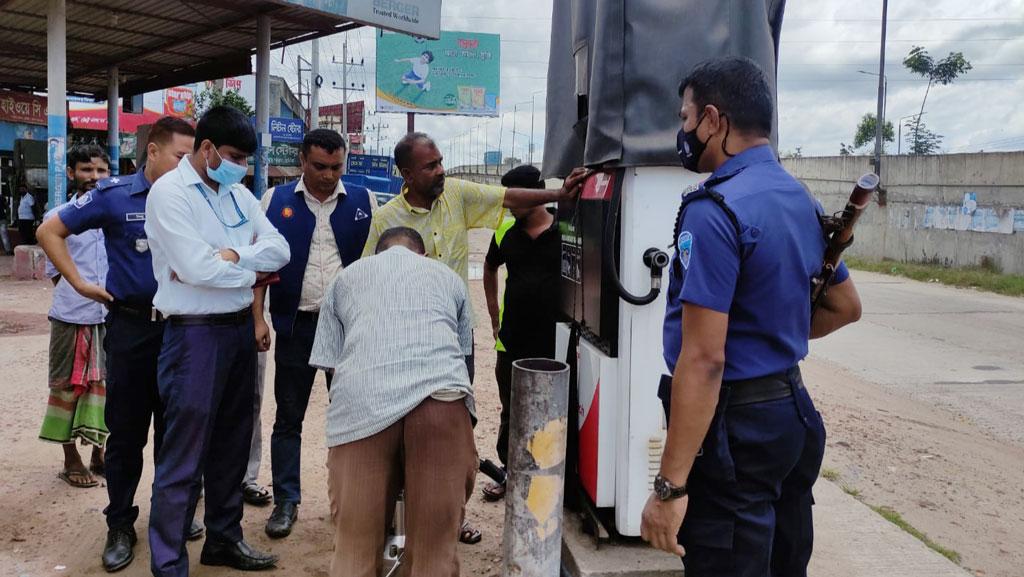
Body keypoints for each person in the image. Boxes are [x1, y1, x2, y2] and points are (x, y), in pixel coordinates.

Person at [639, 56, 863, 577]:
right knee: (784, 559)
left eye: (686, 117)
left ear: (714, 120)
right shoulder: (796, 196)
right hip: (792, 414)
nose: (683, 130)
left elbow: (703, 361)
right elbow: (846, 306)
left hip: (735, 434)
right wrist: (774, 329)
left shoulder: (714, 209)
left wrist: (670, 489)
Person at [364, 132, 586, 543]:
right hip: (405, 342)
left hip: (454, 342)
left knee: (455, 429)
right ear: (407, 174)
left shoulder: (459, 197)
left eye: (441, 161)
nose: (441, 171)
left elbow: (510, 197)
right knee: (402, 429)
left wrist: (560, 192)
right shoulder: (385, 220)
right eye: (430, 166)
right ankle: (400, 522)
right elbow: (367, 279)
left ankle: (453, 516)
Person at [36, 117, 206, 572]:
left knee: (177, 433)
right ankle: (120, 524)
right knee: (127, 434)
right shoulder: (114, 197)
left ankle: (173, 517)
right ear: (153, 152)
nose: (187, 166)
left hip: (183, 330)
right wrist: (80, 284)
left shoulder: (198, 198)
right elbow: (49, 231)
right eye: (179, 157)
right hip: (131, 330)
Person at [144, 105, 289, 576]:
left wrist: (232, 256)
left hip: (236, 334)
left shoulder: (238, 195)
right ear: (206, 149)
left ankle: (224, 539)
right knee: (184, 454)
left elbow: (280, 248)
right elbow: (194, 268)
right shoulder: (170, 194)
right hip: (193, 336)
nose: (240, 167)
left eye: (246, 159)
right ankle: (168, 562)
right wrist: (253, 271)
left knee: (231, 444)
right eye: (233, 156)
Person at [311, 227, 476, 577]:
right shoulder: (447, 276)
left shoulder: (347, 277)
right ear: (423, 255)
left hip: (363, 401)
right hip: (440, 399)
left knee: (354, 551)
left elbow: (331, 360)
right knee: (434, 556)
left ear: (375, 256)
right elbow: (463, 355)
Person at [257, 128, 376, 538]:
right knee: (289, 417)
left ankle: (352, 501)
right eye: (320, 166)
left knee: (354, 419)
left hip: (349, 330)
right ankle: (286, 502)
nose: (329, 175)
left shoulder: (364, 201)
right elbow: (260, 265)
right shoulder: (274, 202)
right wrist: (259, 318)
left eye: (337, 167)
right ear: (302, 162)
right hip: (296, 326)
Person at [481, 165, 561, 501]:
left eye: (515, 199)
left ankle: (549, 478)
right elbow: (489, 267)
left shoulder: (566, 228)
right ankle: (509, 472)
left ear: (537, 195)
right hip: (512, 338)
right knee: (511, 409)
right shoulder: (504, 231)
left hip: (555, 339)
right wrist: (494, 315)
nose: (509, 205)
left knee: (552, 411)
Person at [37, 144, 111, 490]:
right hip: (70, 315)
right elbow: (55, 271)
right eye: (86, 170)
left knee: (107, 386)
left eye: (100, 170)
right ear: (71, 173)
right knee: (66, 386)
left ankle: (99, 453)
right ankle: (70, 459)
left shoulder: (113, 214)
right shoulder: (59, 216)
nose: (93, 177)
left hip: (110, 316)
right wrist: (78, 291)